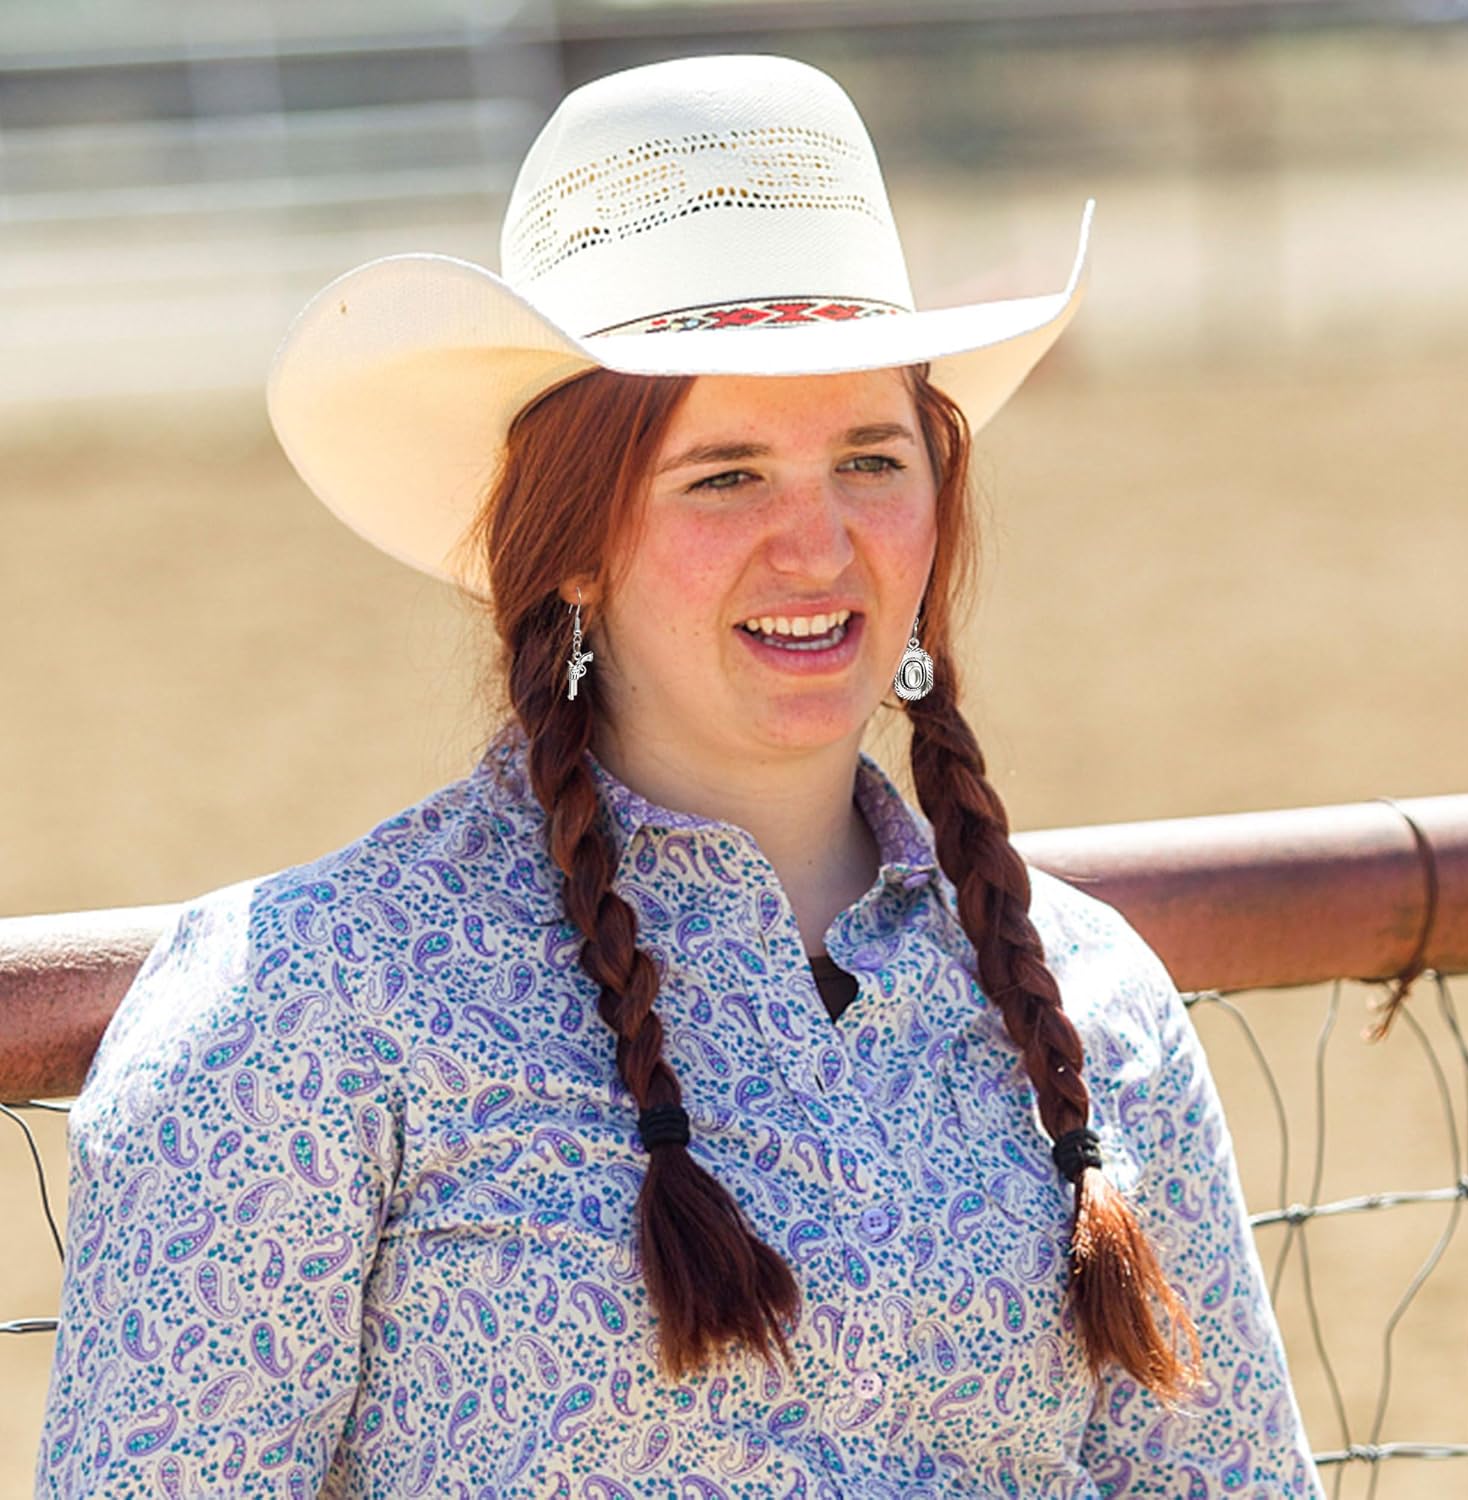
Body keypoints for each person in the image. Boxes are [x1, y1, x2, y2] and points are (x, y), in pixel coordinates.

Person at [36, 54, 1323, 1499]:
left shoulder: (1097, 1010)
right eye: (725, 475)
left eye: (870, 459)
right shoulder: (313, 1009)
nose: (820, 544)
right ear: (571, 539)